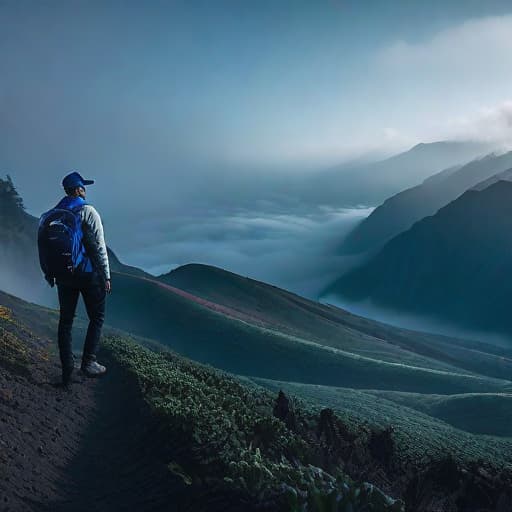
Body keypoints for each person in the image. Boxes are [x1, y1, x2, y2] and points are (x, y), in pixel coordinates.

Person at [38, 171, 111, 387]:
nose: (85, 191)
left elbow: (43, 247)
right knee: (96, 318)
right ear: (79, 189)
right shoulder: (88, 211)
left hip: (63, 275)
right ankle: (88, 362)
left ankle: (67, 370)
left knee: (66, 321)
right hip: (88, 274)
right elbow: (99, 246)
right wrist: (106, 275)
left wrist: (48, 273)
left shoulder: (52, 214)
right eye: (84, 187)